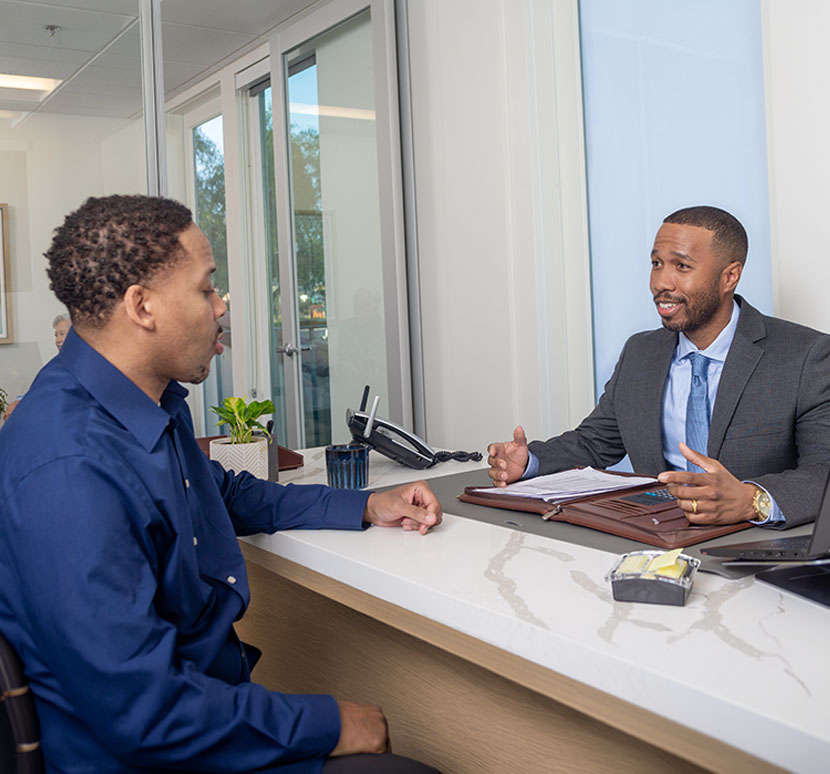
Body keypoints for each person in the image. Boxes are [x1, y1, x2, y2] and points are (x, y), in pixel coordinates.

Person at [0, 195, 442, 774]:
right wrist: (329, 722)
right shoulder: (68, 467)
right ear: (143, 306)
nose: (222, 304)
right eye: (207, 288)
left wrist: (366, 506)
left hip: (184, 716)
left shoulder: (142, 402)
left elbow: (223, 494)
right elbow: (145, 717)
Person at [488, 206, 830, 528]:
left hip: (753, 547)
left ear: (730, 277)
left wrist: (752, 500)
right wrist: (530, 461)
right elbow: (595, 442)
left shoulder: (804, 356)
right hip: (654, 537)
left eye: (681, 266)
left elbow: (823, 471)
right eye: (656, 263)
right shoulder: (641, 352)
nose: (661, 283)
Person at [2, 312, 71, 420]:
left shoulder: (81, 366)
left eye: (62, 334)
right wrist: (17, 402)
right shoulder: (54, 365)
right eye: (56, 335)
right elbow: (39, 391)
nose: (57, 340)